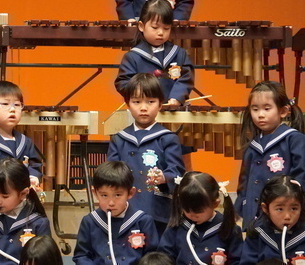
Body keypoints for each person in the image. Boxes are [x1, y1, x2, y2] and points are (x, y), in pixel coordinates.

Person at [107, 73, 185, 235]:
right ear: (127, 104)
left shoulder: (168, 138)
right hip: (125, 211)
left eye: (150, 102)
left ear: (160, 104)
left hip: (157, 212)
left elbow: (177, 173)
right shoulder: (119, 139)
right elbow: (110, 174)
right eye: (136, 102)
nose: (143, 108)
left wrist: (164, 177)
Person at [235, 81, 305, 227]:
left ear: (283, 111)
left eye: (267, 109)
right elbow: (244, 182)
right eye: (255, 109)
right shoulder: (253, 145)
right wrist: (241, 206)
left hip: (284, 217)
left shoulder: (294, 139)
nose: (260, 115)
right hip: (254, 218)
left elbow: (301, 175)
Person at [73, 161, 159, 264]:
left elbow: (152, 257)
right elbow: (81, 256)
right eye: (104, 195)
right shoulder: (90, 221)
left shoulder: (143, 221)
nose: (111, 203)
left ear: (130, 193)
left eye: (117, 195)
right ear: (95, 193)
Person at [115, 0, 194, 105]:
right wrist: (143, 96)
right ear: (141, 26)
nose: (161, 32)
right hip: (144, 110)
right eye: (155, 27)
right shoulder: (132, 57)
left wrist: (176, 97)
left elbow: (186, 79)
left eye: (166, 28)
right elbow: (123, 83)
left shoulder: (180, 53)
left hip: (174, 110)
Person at [158, 171, 243, 265]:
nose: (192, 215)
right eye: (187, 210)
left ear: (215, 204)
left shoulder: (229, 229)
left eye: (198, 211)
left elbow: (237, 261)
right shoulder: (176, 227)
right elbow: (164, 257)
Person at [241, 175, 305, 263]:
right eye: (280, 209)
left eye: (294, 209)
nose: (287, 216)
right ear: (265, 208)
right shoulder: (256, 234)